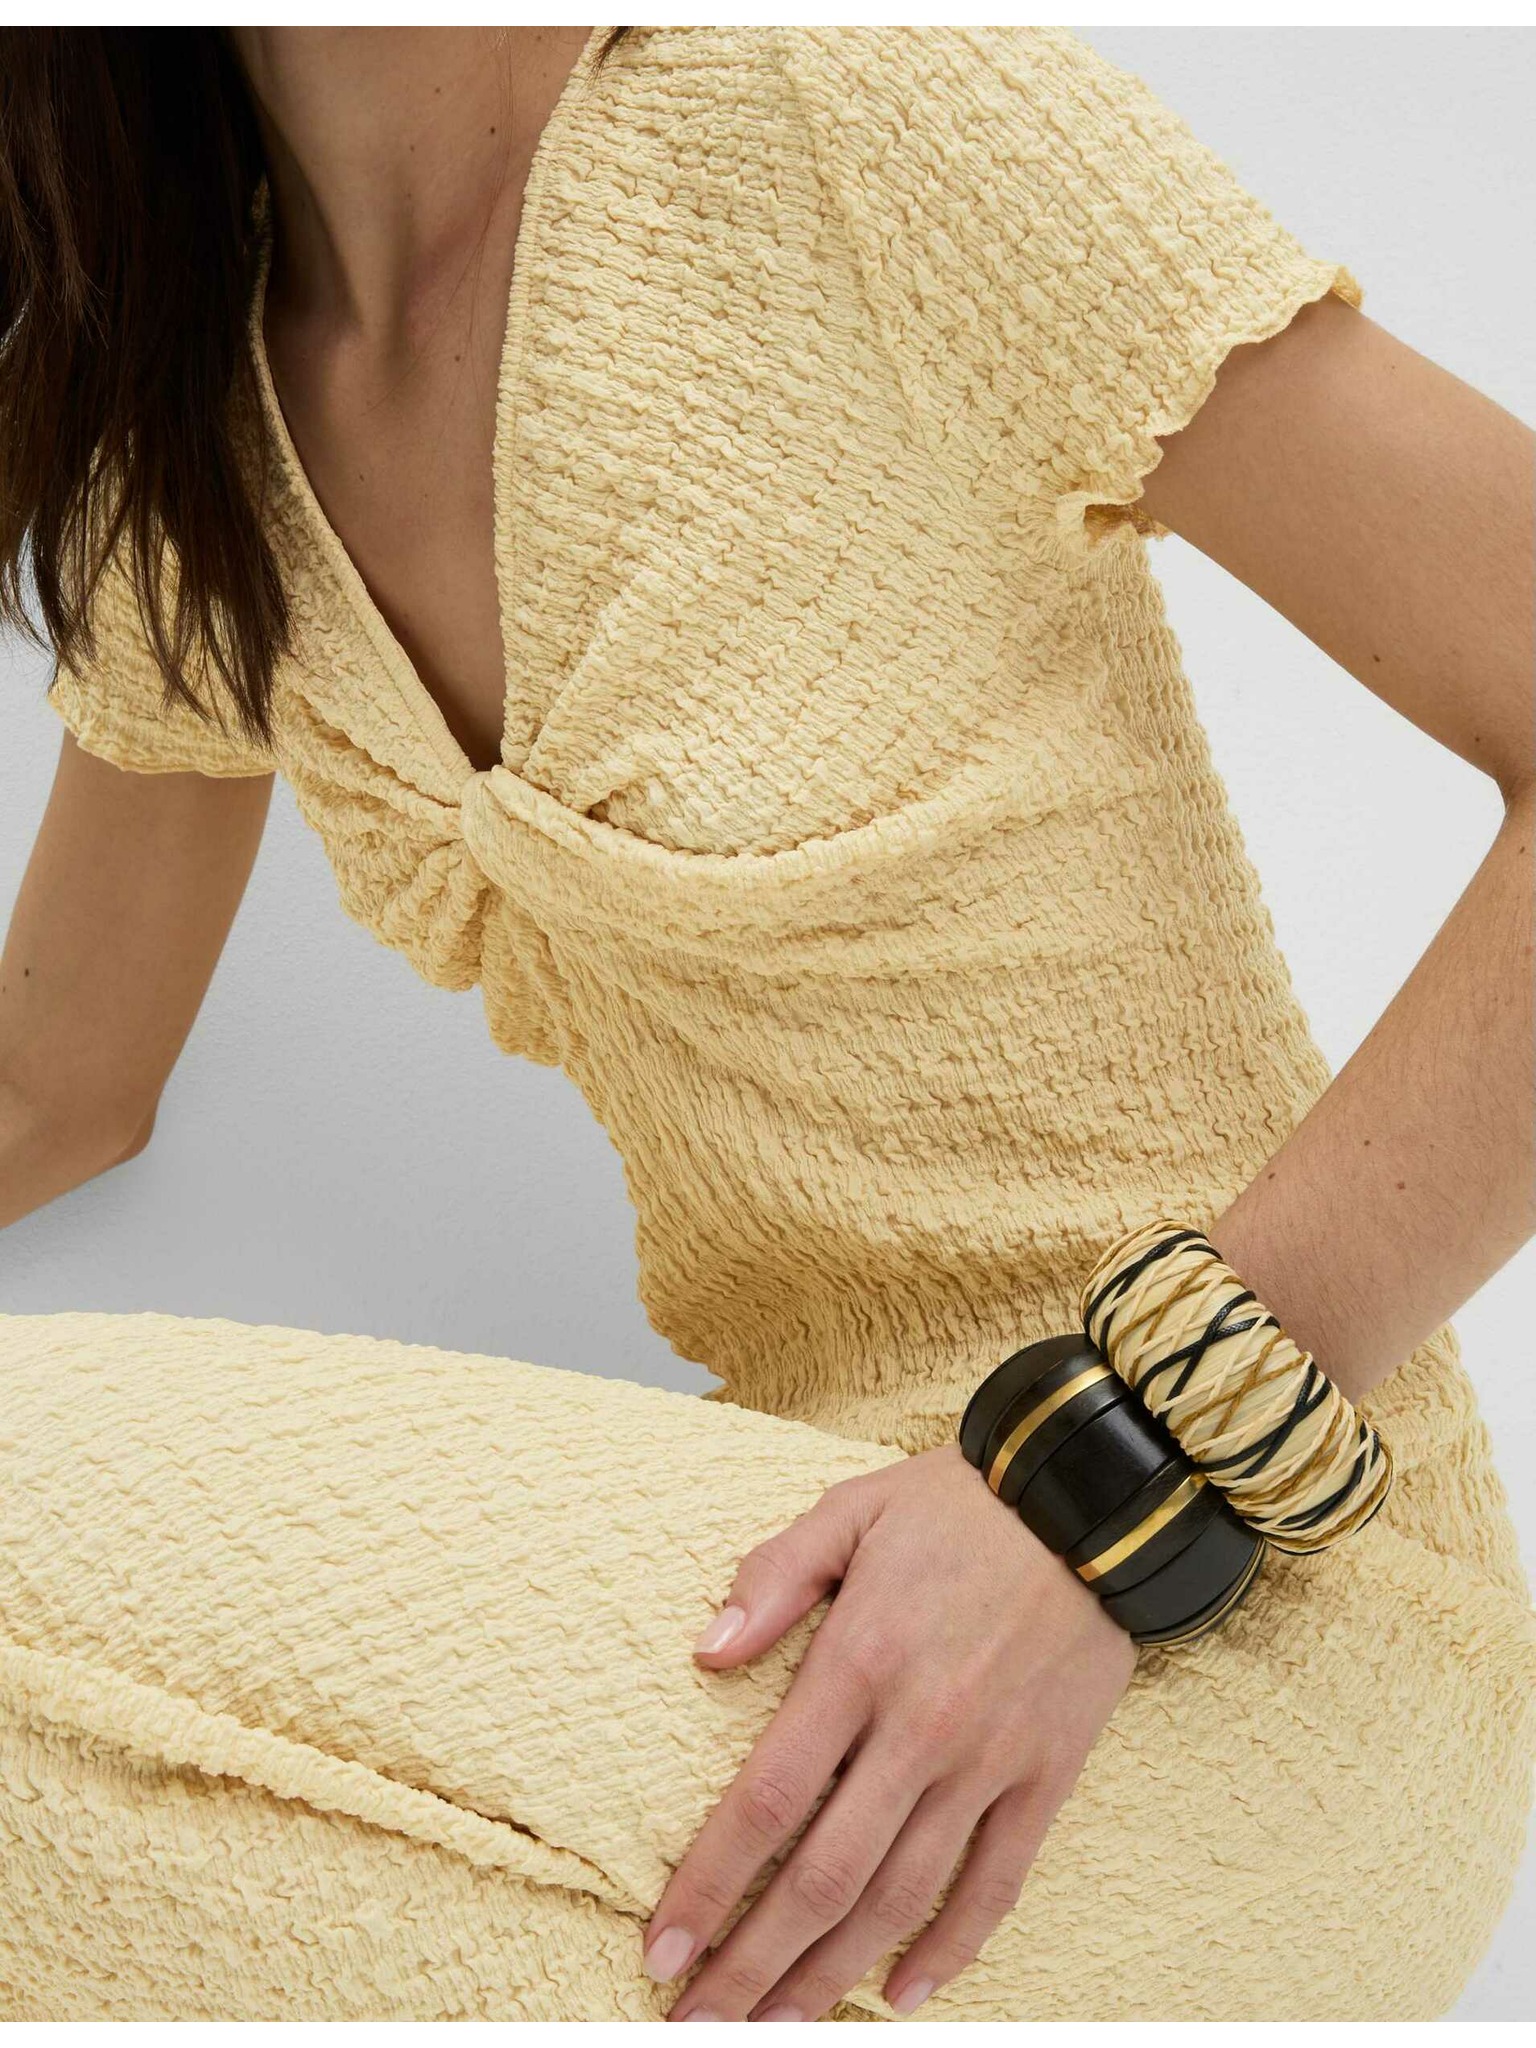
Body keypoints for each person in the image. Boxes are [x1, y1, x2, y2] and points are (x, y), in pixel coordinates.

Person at [0, 23, 1531, 2025]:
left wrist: (1114, 1466)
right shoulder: (185, 431)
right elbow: (56, 1085)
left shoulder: (845, 124)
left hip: (1242, 1602)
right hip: (806, 1604)